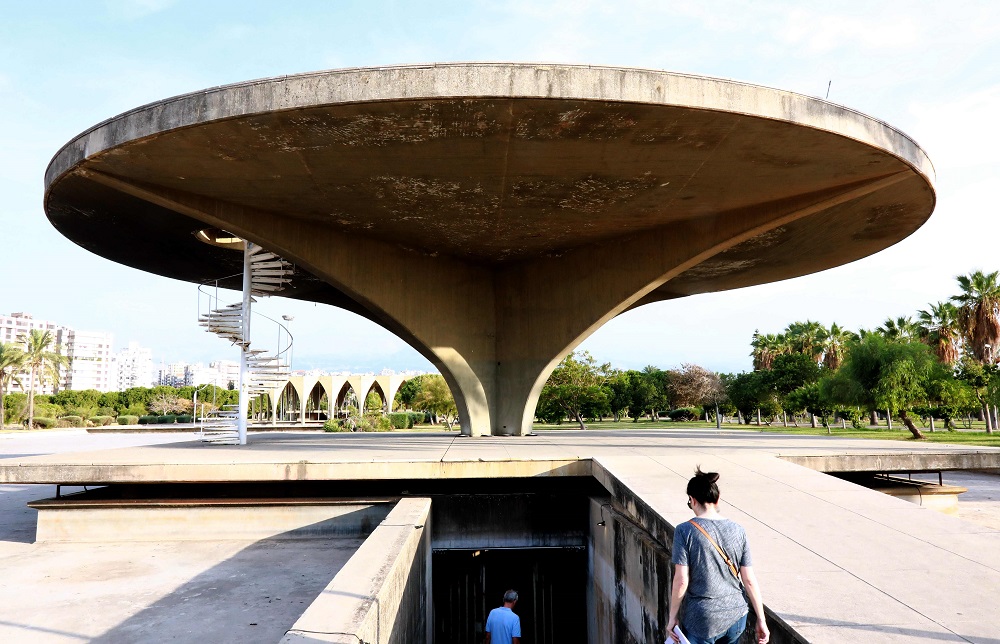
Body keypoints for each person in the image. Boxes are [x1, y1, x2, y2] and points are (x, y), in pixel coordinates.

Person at [667, 468, 769, 644]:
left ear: (692, 500)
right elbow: (749, 580)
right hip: (736, 615)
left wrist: (672, 617)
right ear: (717, 498)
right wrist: (761, 618)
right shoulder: (738, 530)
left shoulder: (685, 531)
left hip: (702, 619)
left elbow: (681, 580)